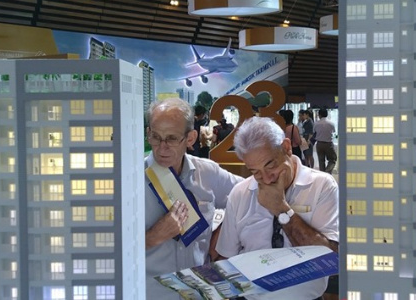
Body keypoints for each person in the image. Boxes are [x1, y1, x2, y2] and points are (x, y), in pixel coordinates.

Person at [216, 117, 338, 300]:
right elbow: (227, 257)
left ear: (287, 148)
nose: (266, 179)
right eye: (255, 172)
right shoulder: (240, 193)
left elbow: (330, 259)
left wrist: (282, 209)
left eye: (270, 165)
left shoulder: (321, 185)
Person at [144, 98, 243, 300]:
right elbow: (103, 250)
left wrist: (224, 233)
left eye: (171, 138)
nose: (161, 148)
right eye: (155, 137)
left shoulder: (207, 172)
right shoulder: (127, 179)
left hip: (200, 293)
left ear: (190, 138)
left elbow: (249, 194)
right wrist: (151, 238)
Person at [313, 108, 337, 174]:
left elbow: (314, 132)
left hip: (319, 144)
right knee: (332, 159)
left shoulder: (316, 123)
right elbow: (334, 132)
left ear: (319, 115)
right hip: (328, 144)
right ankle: (328, 171)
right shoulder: (331, 123)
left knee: (321, 161)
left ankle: (323, 175)